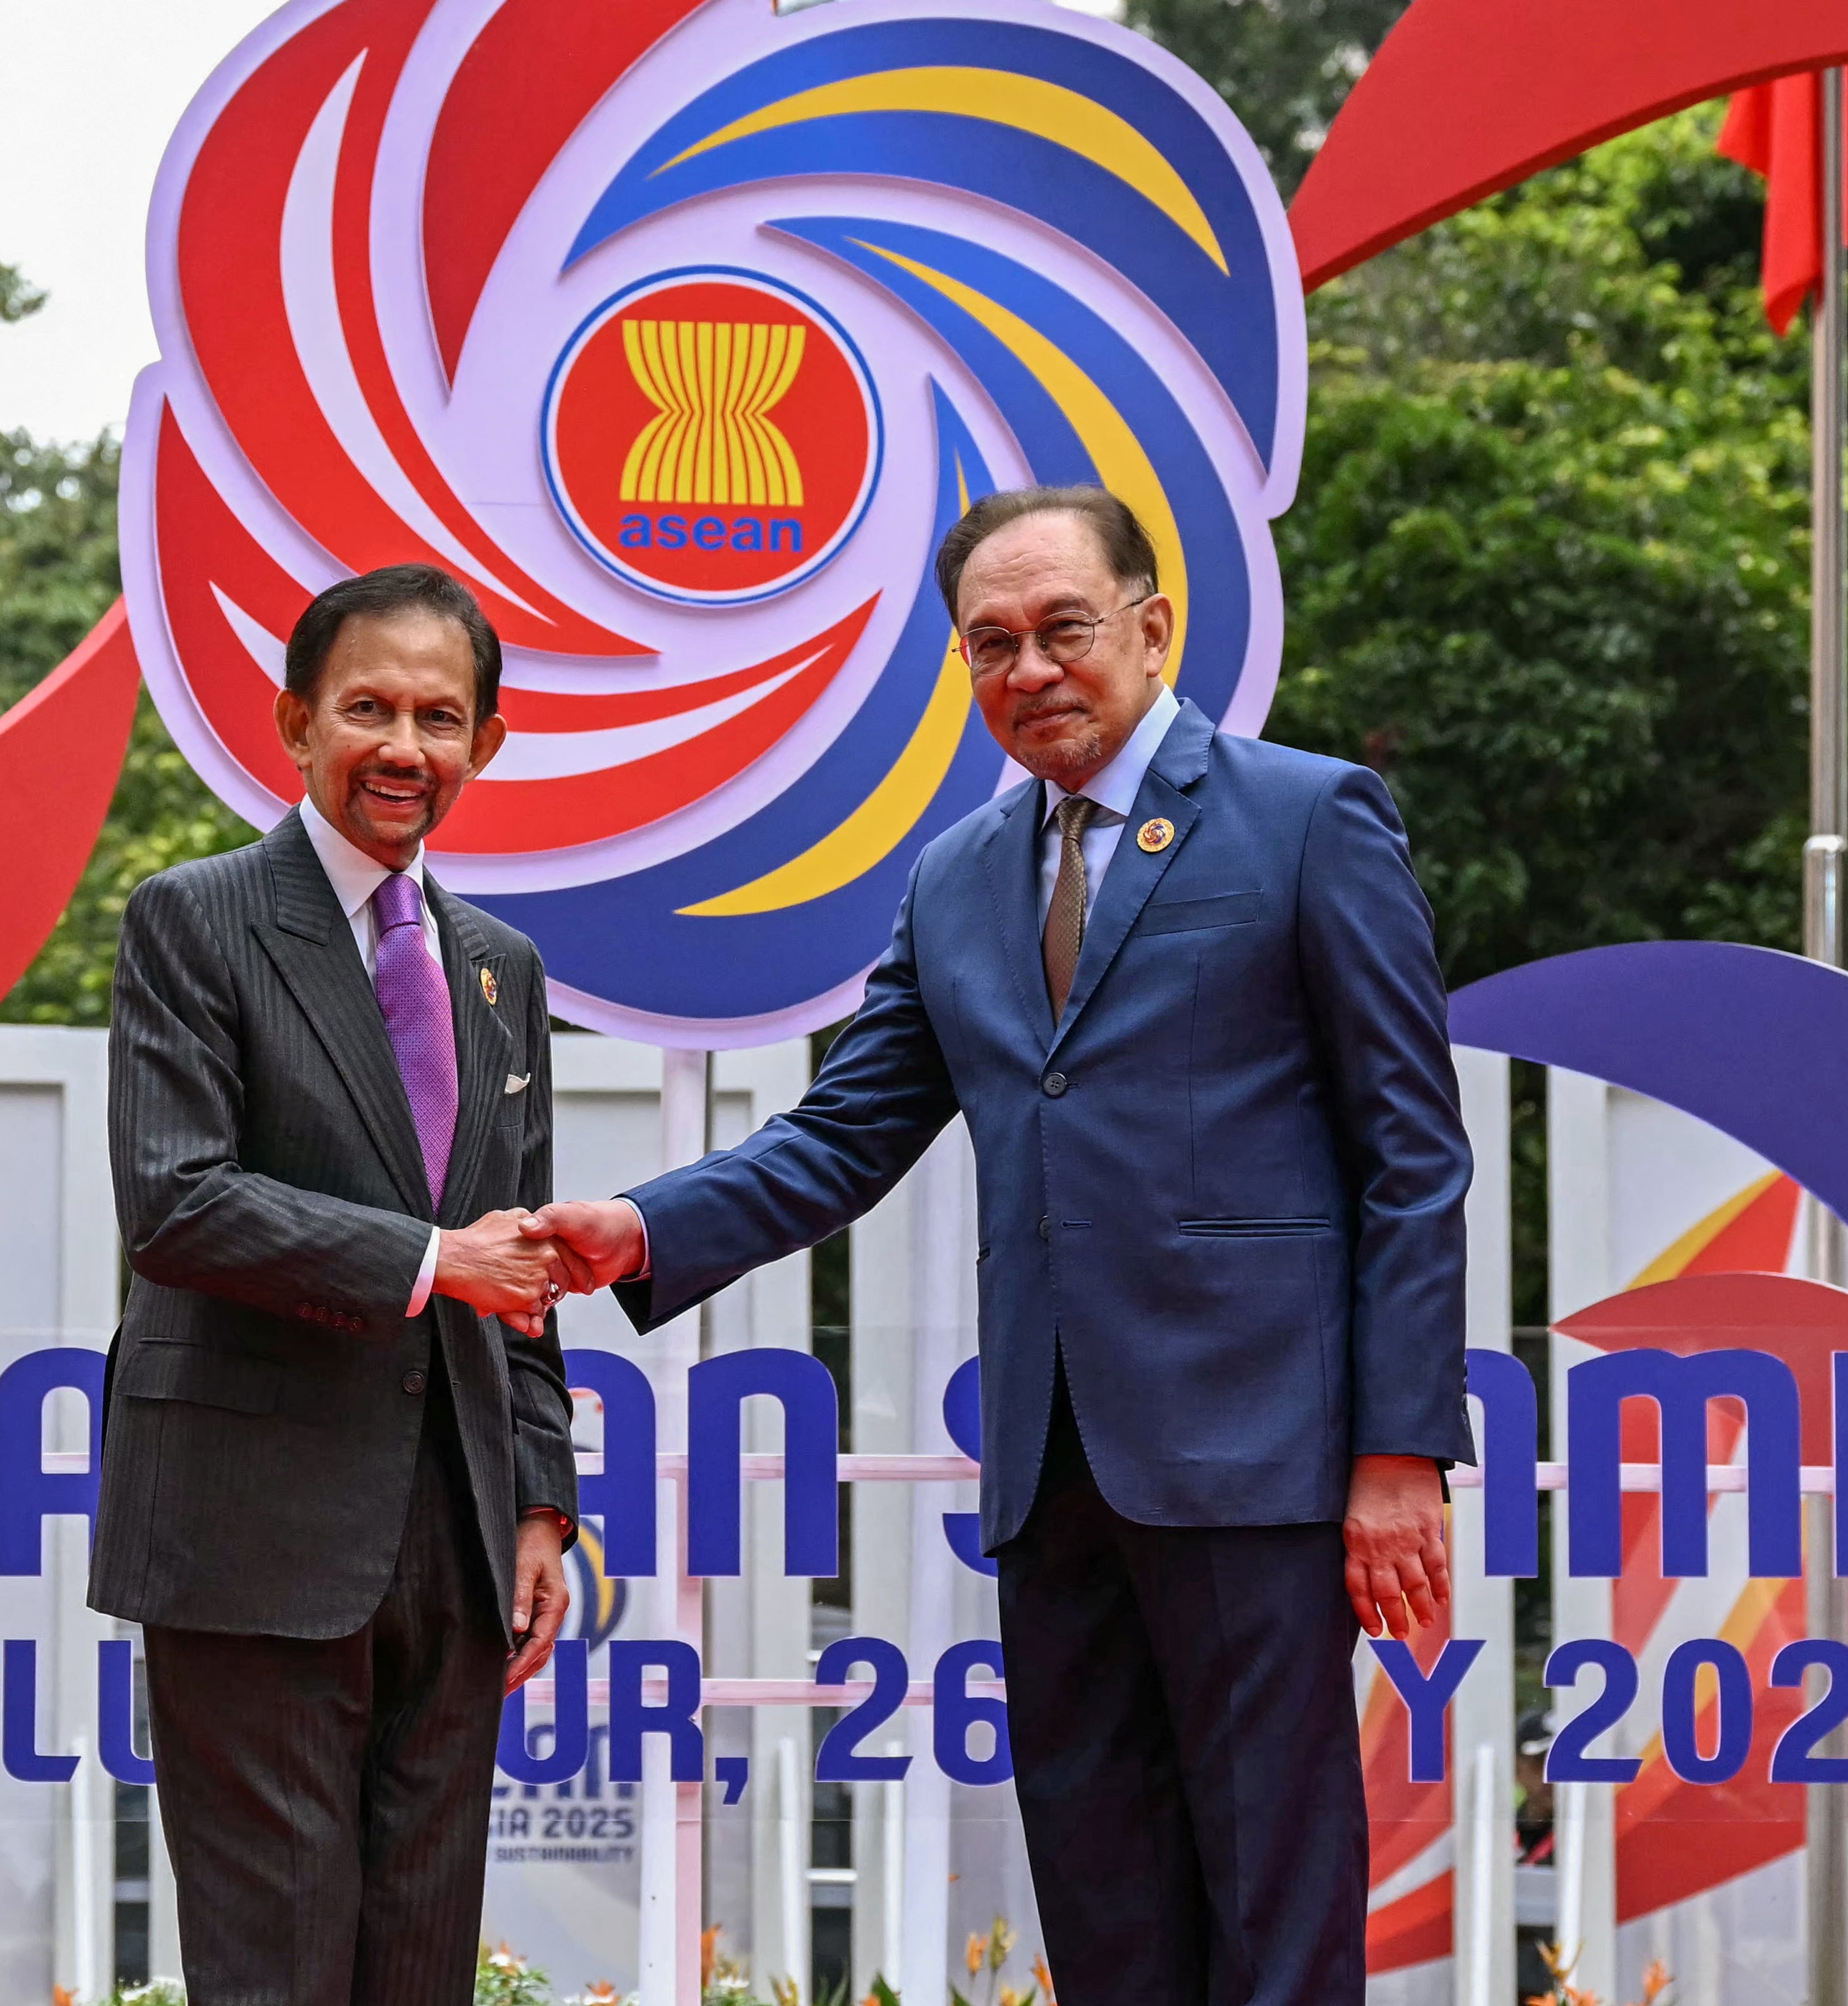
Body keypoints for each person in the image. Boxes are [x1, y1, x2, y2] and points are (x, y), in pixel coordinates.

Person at [533, 487, 1472, 2006]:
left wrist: (1399, 1449)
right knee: (1103, 1899)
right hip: (1052, 1469)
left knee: (1274, 1899)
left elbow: (1413, 1154)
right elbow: (845, 1132)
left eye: (1064, 628)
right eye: (991, 643)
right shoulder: (959, 875)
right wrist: (643, 1226)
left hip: (1258, 1459)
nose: (1030, 667)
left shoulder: (1308, 817)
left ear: (1153, 629)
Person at [90, 563, 579, 2006]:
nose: (403, 746)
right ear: (296, 722)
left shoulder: (499, 969)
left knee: (421, 1966)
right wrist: (433, 1260)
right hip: (254, 1526)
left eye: (440, 716)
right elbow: (176, 1201)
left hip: (459, 1531)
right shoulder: (195, 918)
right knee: (278, 1971)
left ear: (486, 741)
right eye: (369, 708)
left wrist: (539, 1502)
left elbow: (522, 1265)